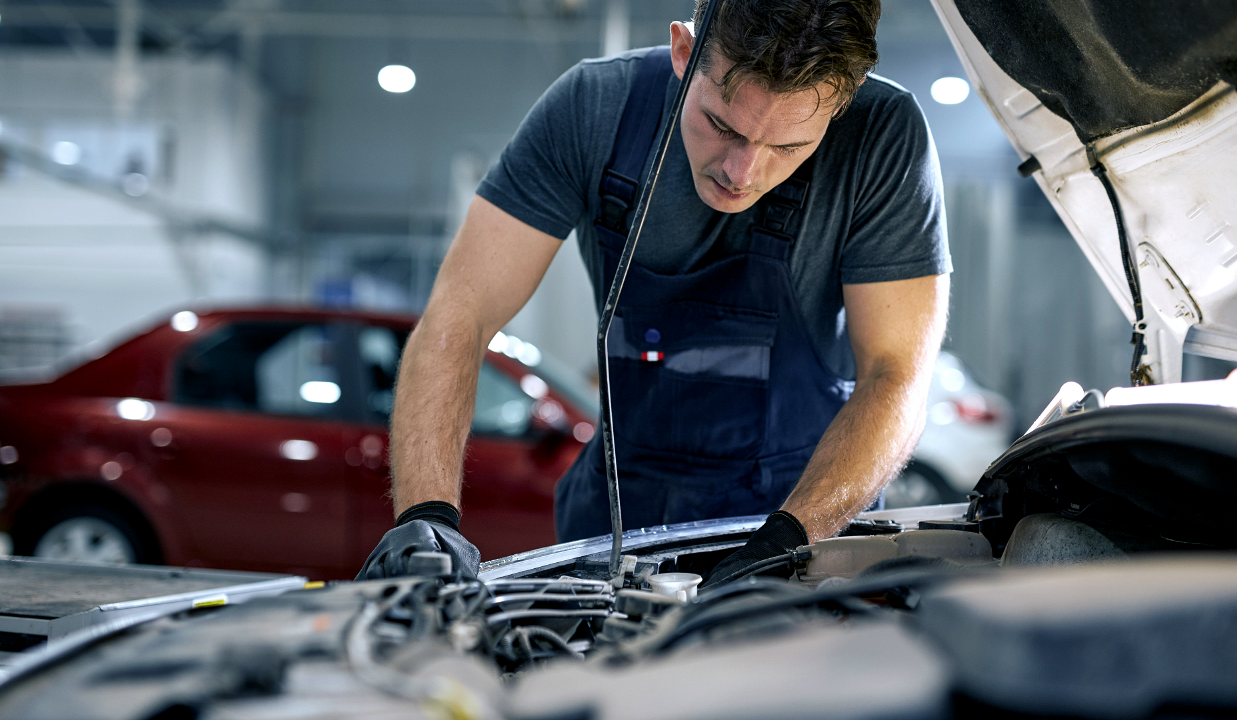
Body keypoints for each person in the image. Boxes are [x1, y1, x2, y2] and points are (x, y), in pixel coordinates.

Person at [356, 0, 950, 585]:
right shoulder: (593, 111)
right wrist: (426, 516)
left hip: (798, 529)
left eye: (787, 147)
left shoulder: (884, 137)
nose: (741, 171)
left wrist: (792, 540)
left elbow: (895, 376)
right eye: (722, 125)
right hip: (613, 526)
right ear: (684, 52)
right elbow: (459, 314)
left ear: (842, 104)